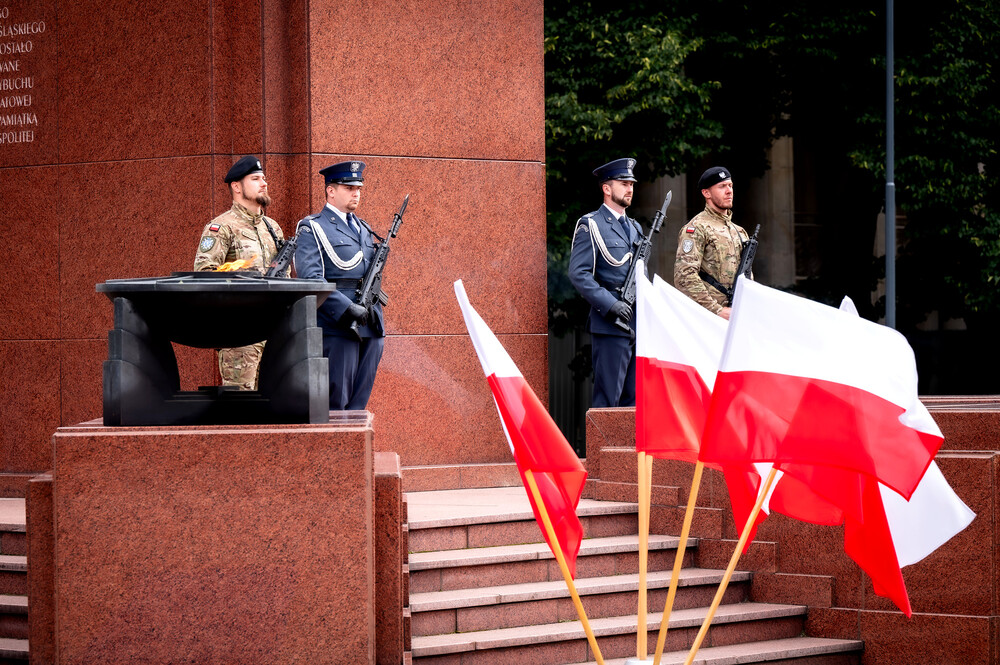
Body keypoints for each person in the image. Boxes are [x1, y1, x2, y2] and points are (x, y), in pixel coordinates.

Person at [293, 160, 385, 410]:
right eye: (348, 187)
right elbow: (311, 279)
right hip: (337, 324)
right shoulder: (313, 227)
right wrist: (345, 309)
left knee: (359, 401)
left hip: (370, 323)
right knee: (336, 401)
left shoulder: (364, 228)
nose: (356, 192)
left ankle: (355, 446)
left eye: (358, 187)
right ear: (330, 191)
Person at [193, 154, 284, 390]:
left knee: (277, 407)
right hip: (240, 333)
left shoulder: (272, 228)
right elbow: (205, 275)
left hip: (276, 331)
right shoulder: (221, 227)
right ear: (236, 187)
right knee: (240, 406)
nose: (264, 183)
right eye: (255, 179)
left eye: (264, 178)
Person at [568, 157, 646, 408]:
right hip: (610, 322)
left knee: (634, 400)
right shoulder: (591, 224)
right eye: (624, 183)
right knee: (608, 401)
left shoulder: (636, 229)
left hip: (637, 322)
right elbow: (579, 274)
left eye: (631, 183)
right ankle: (602, 450)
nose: (630, 188)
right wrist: (611, 305)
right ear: (606, 188)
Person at [673, 166, 749, 320]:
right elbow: (684, 276)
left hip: (736, 316)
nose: (729, 191)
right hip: (706, 318)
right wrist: (716, 310)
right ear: (706, 193)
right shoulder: (696, 228)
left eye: (730, 186)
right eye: (722, 186)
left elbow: (747, 278)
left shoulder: (739, 232)